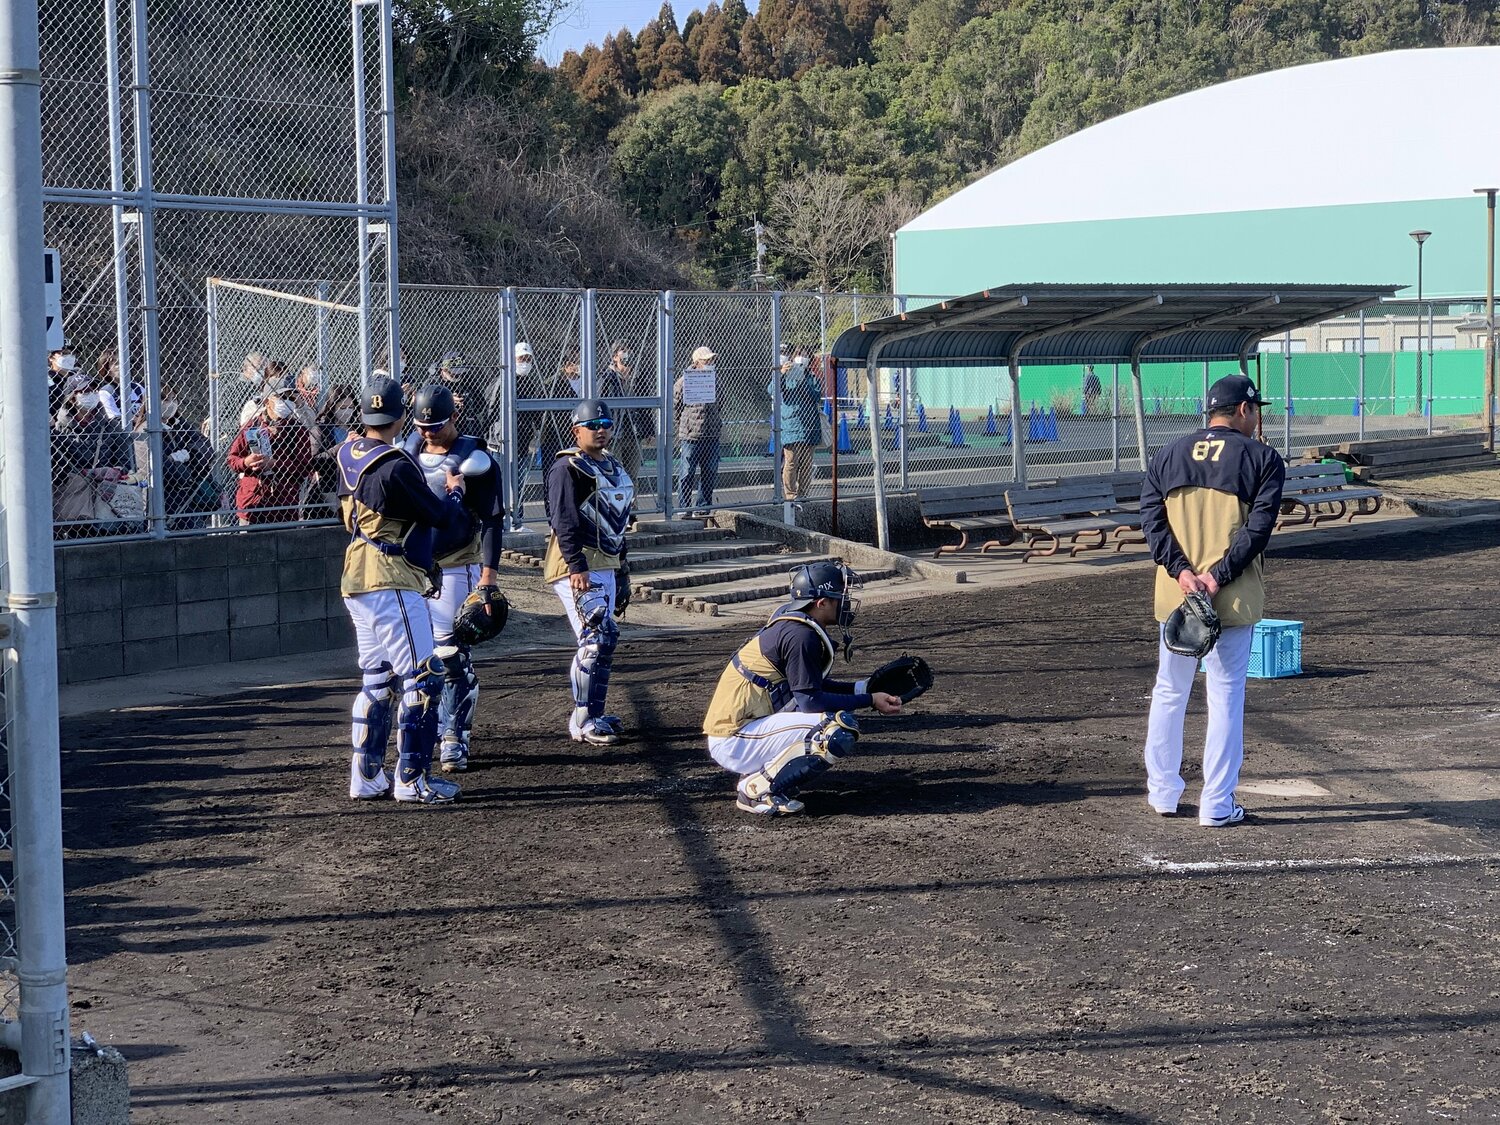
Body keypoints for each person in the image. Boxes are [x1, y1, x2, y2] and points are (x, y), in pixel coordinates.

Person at [1139, 374, 1286, 828]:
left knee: (1169, 692)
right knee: (1224, 697)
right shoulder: (1263, 458)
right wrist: (1217, 577)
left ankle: (1163, 793)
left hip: (1178, 598)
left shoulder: (1168, 453)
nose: (1257, 416)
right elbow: (1256, 532)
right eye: (1255, 409)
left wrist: (1183, 572)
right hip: (1231, 596)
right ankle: (1217, 804)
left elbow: (1151, 521)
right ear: (1242, 410)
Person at [337, 377, 472, 804]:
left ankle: (366, 778)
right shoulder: (397, 463)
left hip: (355, 573)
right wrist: (454, 493)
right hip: (389, 575)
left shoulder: (348, 449)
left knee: (377, 679)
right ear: (401, 418)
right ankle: (412, 780)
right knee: (423, 675)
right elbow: (441, 519)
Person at [701, 562, 902, 816]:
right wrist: (869, 700)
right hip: (734, 739)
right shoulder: (800, 636)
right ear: (821, 603)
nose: (846, 603)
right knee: (833, 730)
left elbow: (807, 686)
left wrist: (864, 689)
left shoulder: (795, 624)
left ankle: (760, 774)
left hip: (747, 729)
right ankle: (756, 789)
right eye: (840, 597)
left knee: (825, 721)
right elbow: (810, 701)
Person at [402, 384, 505, 772]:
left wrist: (488, 577)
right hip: (410, 565)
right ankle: (420, 731)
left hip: (455, 562)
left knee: (451, 656)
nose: (428, 432)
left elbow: (493, 520)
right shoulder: (405, 453)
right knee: (415, 657)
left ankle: (454, 737)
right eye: (422, 426)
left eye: (437, 425)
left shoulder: (475, 459)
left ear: (454, 419)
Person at [543, 398, 634, 746]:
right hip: (576, 564)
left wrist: (623, 569)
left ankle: (594, 713)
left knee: (605, 639)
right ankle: (582, 719)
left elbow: (621, 522)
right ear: (576, 430)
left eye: (605, 424)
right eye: (592, 425)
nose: (600, 430)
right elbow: (562, 518)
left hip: (606, 562)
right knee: (595, 639)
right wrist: (576, 564)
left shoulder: (612, 465)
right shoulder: (567, 468)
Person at [225, 388, 315, 524]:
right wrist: (246, 462)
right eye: (280, 397)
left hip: (285, 505)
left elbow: (304, 467)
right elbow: (232, 459)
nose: (286, 402)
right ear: (267, 401)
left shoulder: (297, 430)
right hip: (252, 503)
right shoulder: (251, 426)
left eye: (290, 398)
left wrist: (275, 463)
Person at [771, 345, 823, 502]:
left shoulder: (810, 376)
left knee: (807, 463)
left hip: (809, 425)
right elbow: (772, 390)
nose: (802, 358)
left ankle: (803, 494)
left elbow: (817, 395)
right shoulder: (785, 373)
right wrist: (782, 373)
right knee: (791, 462)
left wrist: (805, 379)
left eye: (805, 355)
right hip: (791, 424)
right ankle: (790, 494)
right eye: (799, 355)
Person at [674, 345, 721, 515]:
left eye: (711, 359)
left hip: (712, 434)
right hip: (691, 435)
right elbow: (676, 406)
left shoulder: (715, 380)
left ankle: (703, 508)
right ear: (697, 362)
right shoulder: (684, 381)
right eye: (706, 360)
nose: (710, 362)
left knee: (709, 473)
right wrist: (684, 424)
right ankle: (684, 508)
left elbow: (720, 403)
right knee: (686, 473)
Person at [599, 340, 644, 487]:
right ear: (614, 356)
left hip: (634, 432)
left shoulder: (638, 377)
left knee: (633, 475)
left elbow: (645, 406)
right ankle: (615, 507)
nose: (627, 353)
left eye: (629, 349)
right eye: (623, 350)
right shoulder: (607, 377)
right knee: (614, 472)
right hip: (614, 433)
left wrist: (647, 430)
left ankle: (633, 507)